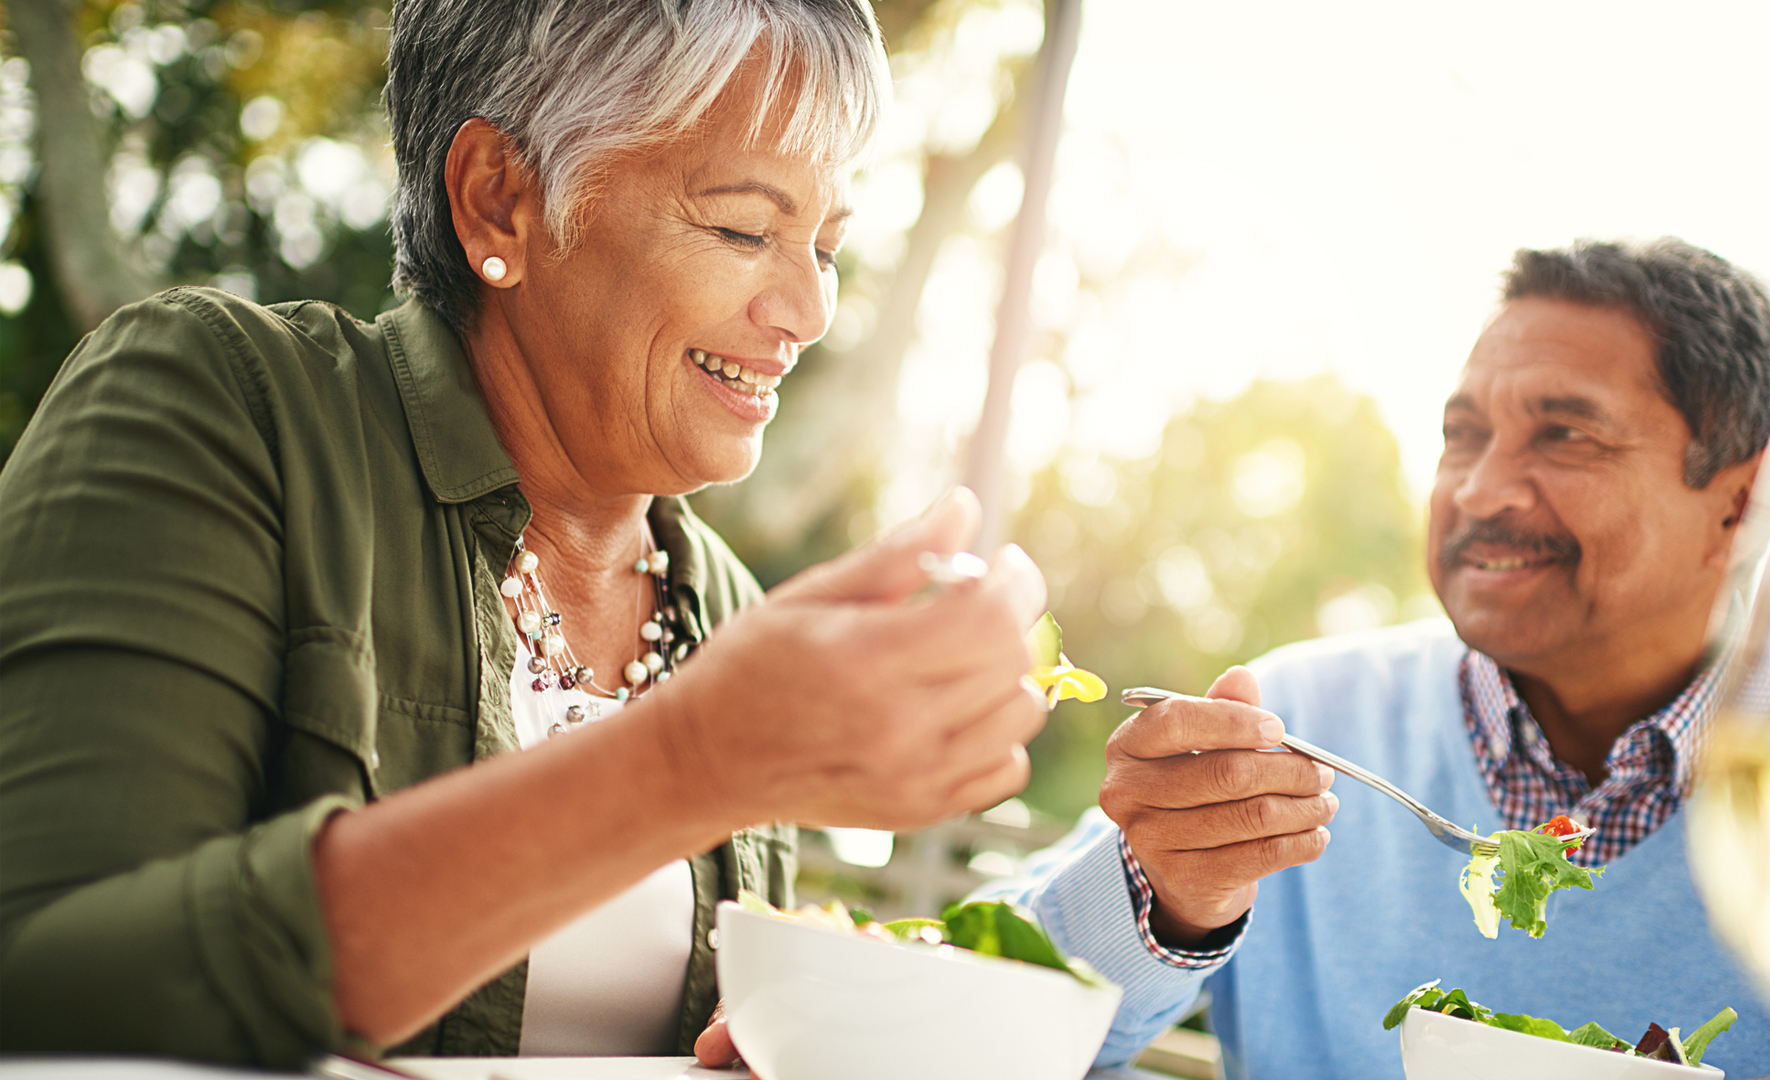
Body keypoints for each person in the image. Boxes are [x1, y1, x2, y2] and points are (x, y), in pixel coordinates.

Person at [0, 0, 1047, 1067]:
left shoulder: (727, 604)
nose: (810, 309)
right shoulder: (228, 409)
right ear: (501, 201)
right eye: (744, 229)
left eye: (824, 244)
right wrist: (684, 763)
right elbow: (47, 982)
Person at [980, 238, 1770, 1079]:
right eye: (1462, 435)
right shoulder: (1294, 723)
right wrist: (1166, 901)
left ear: (1743, 502)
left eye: (1565, 434)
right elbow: (977, 1022)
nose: (1477, 489)